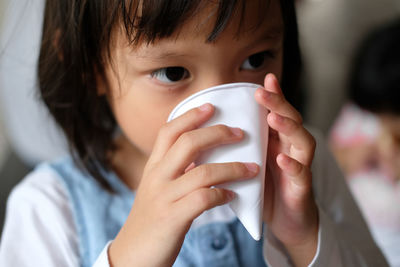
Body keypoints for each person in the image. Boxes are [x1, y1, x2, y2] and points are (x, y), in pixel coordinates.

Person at [0, 0, 387, 266]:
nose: (222, 113)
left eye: (256, 60)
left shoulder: (304, 169)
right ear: (92, 71)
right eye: (173, 73)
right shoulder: (49, 208)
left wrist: (304, 235)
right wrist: (132, 255)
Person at [329, 19, 400, 266]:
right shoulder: (359, 115)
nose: (381, 122)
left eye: (390, 116)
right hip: (350, 236)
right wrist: (349, 158)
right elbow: (327, 158)